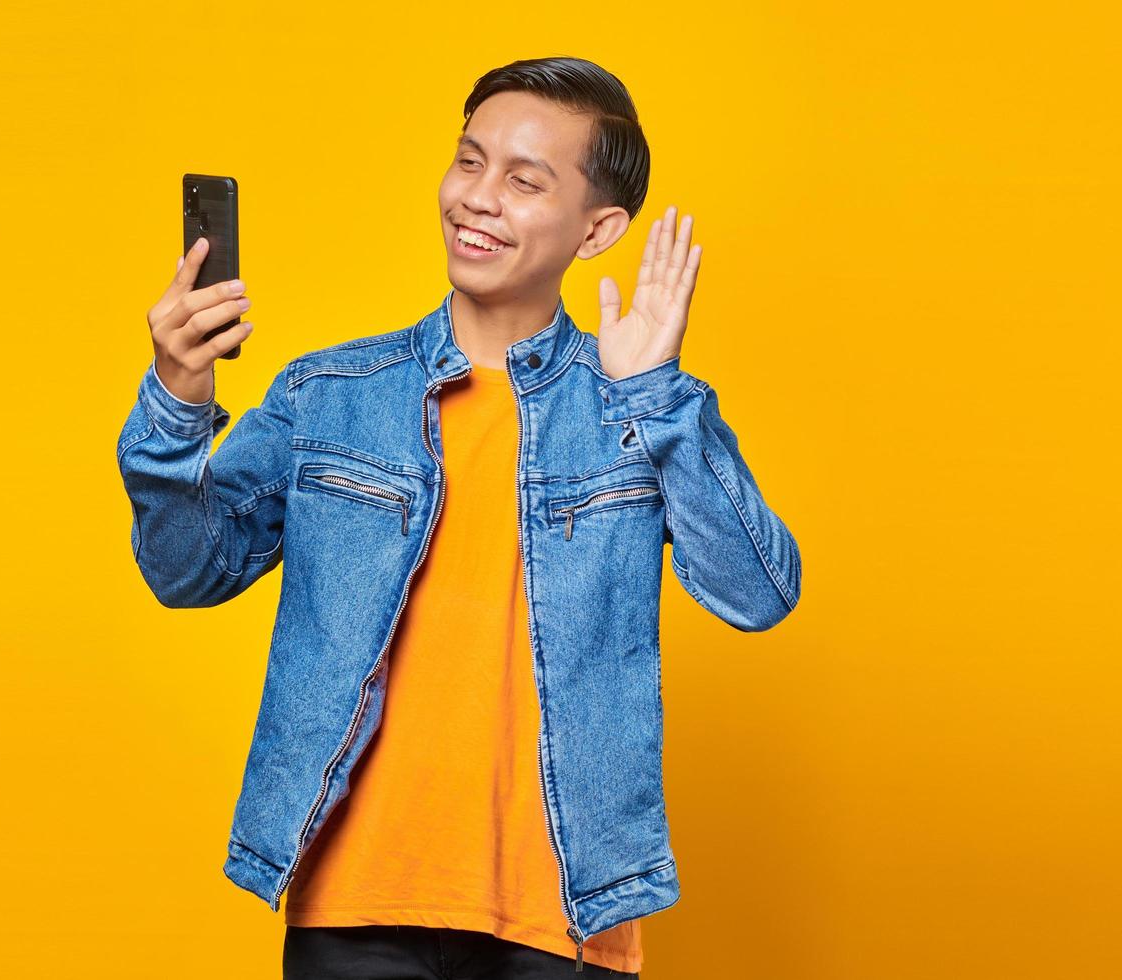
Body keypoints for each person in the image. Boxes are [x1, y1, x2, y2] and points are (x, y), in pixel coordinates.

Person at [117, 56, 802, 979]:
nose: (478, 198)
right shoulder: (330, 392)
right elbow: (186, 571)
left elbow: (759, 595)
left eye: (524, 181)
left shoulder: (635, 404)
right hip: (357, 907)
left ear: (598, 229)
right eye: (469, 161)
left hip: (565, 914)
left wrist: (660, 400)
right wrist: (177, 396)